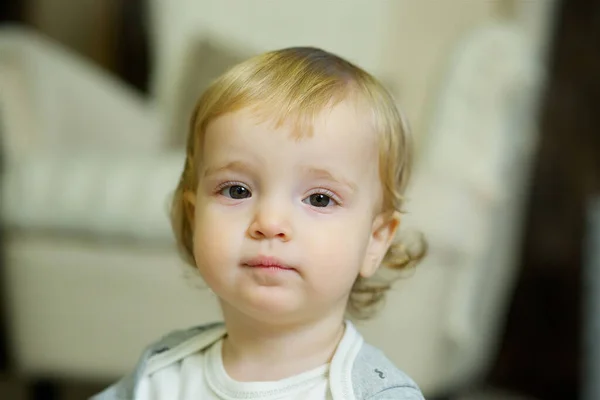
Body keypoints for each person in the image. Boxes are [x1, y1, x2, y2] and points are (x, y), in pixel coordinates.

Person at [94, 46, 425, 400]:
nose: (269, 222)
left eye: (319, 198)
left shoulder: (374, 394)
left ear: (375, 240)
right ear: (195, 217)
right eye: (237, 190)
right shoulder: (158, 377)